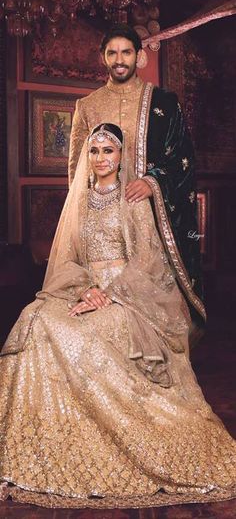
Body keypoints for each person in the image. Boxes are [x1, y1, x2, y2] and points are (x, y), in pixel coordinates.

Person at [0, 123, 236, 510]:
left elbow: (148, 261)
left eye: (108, 151)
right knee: (35, 318)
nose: (101, 159)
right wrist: (85, 290)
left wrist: (109, 294)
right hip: (86, 289)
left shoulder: (134, 200)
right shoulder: (79, 203)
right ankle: (38, 444)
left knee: (83, 335)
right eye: (94, 152)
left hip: (130, 298)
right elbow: (69, 261)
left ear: (121, 156)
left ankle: (107, 435)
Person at [68, 24, 204, 345]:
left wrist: (152, 182)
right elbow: (76, 171)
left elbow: (183, 158)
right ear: (103, 58)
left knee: (162, 323)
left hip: (154, 219)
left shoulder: (164, 103)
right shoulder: (86, 106)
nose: (119, 59)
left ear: (139, 56)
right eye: (112, 52)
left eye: (126, 52)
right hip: (104, 227)